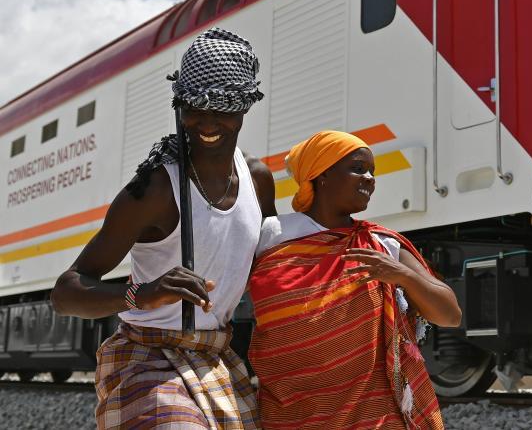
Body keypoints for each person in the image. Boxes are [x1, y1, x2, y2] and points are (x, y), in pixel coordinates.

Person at [51, 27, 277, 429]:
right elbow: (66, 294)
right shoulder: (154, 190)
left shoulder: (257, 180)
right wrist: (144, 293)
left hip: (215, 357)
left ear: (245, 106)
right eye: (194, 107)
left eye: (222, 108)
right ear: (179, 104)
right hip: (146, 357)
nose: (207, 121)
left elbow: (274, 266)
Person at [248, 131, 461, 429]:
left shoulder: (381, 244)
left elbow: (450, 315)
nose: (370, 179)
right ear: (322, 174)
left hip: (374, 415)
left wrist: (403, 275)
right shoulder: (272, 235)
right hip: (290, 414)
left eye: (372, 171)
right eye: (359, 169)